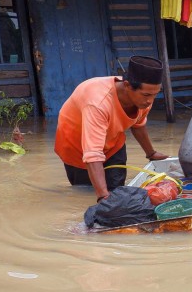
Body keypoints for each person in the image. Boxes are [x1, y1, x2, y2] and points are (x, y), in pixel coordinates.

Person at [54, 55, 169, 203]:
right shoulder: (98, 103)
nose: (150, 101)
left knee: (117, 191)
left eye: (155, 94)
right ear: (127, 86)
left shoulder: (144, 99)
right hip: (77, 147)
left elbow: (138, 124)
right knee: (86, 193)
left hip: (112, 142)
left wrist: (151, 153)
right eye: (147, 95)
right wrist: (102, 197)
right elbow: (93, 154)